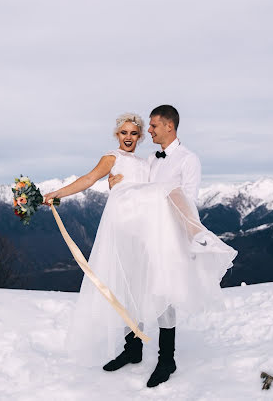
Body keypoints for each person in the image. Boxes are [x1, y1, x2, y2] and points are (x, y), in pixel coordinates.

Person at [44, 108, 236, 388]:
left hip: (165, 234)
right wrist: (69, 193)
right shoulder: (141, 160)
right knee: (131, 286)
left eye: (143, 130)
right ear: (116, 134)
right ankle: (132, 349)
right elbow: (91, 180)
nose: (135, 136)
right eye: (125, 132)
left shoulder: (182, 159)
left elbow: (187, 199)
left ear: (168, 127)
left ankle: (166, 359)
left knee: (163, 290)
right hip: (131, 232)